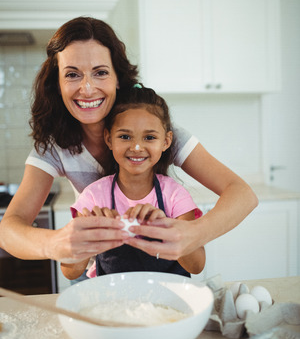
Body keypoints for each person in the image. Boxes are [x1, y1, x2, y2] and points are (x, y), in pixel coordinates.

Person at [0, 16, 258, 271]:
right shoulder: (55, 146)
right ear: (57, 84)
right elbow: (9, 229)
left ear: (118, 79)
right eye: (72, 75)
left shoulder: (156, 131)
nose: (87, 88)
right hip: (99, 271)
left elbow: (242, 194)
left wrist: (194, 234)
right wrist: (56, 243)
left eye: (100, 73)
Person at [62, 85, 206, 280]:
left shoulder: (175, 196)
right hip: (114, 305)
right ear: (109, 139)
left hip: (170, 304)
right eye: (125, 136)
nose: (137, 147)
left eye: (149, 137)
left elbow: (196, 265)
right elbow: (70, 272)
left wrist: (167, 229)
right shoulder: (93, 197)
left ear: (166, 141)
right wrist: (89, 237)